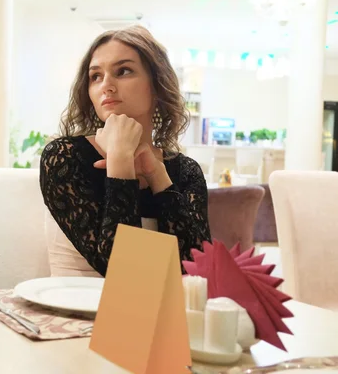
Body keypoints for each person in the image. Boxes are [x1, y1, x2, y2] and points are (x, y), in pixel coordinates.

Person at [39, 25, 211, 277]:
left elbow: (197, 272)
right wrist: (120, 160)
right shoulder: (64, 156)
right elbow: (123, 273)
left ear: (157, 84)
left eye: (123, 71)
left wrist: (157, 176)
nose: (106, 85)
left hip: (162, 312)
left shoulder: (186, 171)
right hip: (74, 310)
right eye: (95, 76)